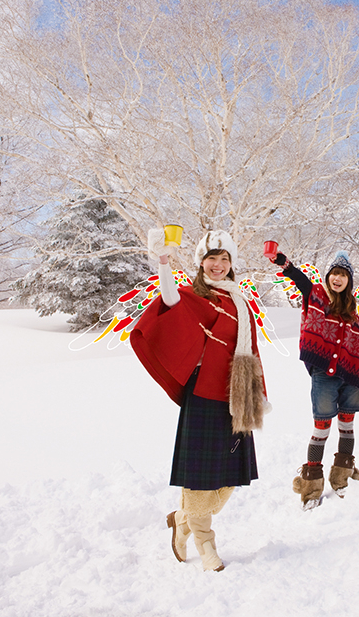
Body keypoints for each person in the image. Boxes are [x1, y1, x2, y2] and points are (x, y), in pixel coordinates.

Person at [131, 229, 267, 571]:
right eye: (212, 259)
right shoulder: (193, 295)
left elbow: (252, 350)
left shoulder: (240, 301)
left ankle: (183, 518)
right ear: (201, 263)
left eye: (224, 259)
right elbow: (169, 299)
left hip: (235, 396)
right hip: (203, 394)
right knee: (199, 478)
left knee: (230, 479)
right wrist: (164, 262)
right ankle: (205, 543)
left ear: (231, 264)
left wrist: (258, 393)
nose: (218, 265)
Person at [267, 249, 359, 509]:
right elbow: (300, 280)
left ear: (348, 281)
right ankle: (311, 484)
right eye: (334, 274)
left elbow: (356, 347)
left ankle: (341, 477)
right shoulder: (317, 296)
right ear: (328, 277)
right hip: (324, 374)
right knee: (321, 429)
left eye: (343, 275)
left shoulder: (352, 313)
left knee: (347, 427)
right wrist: (284, 262)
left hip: (351, 375)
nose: (337, 279)